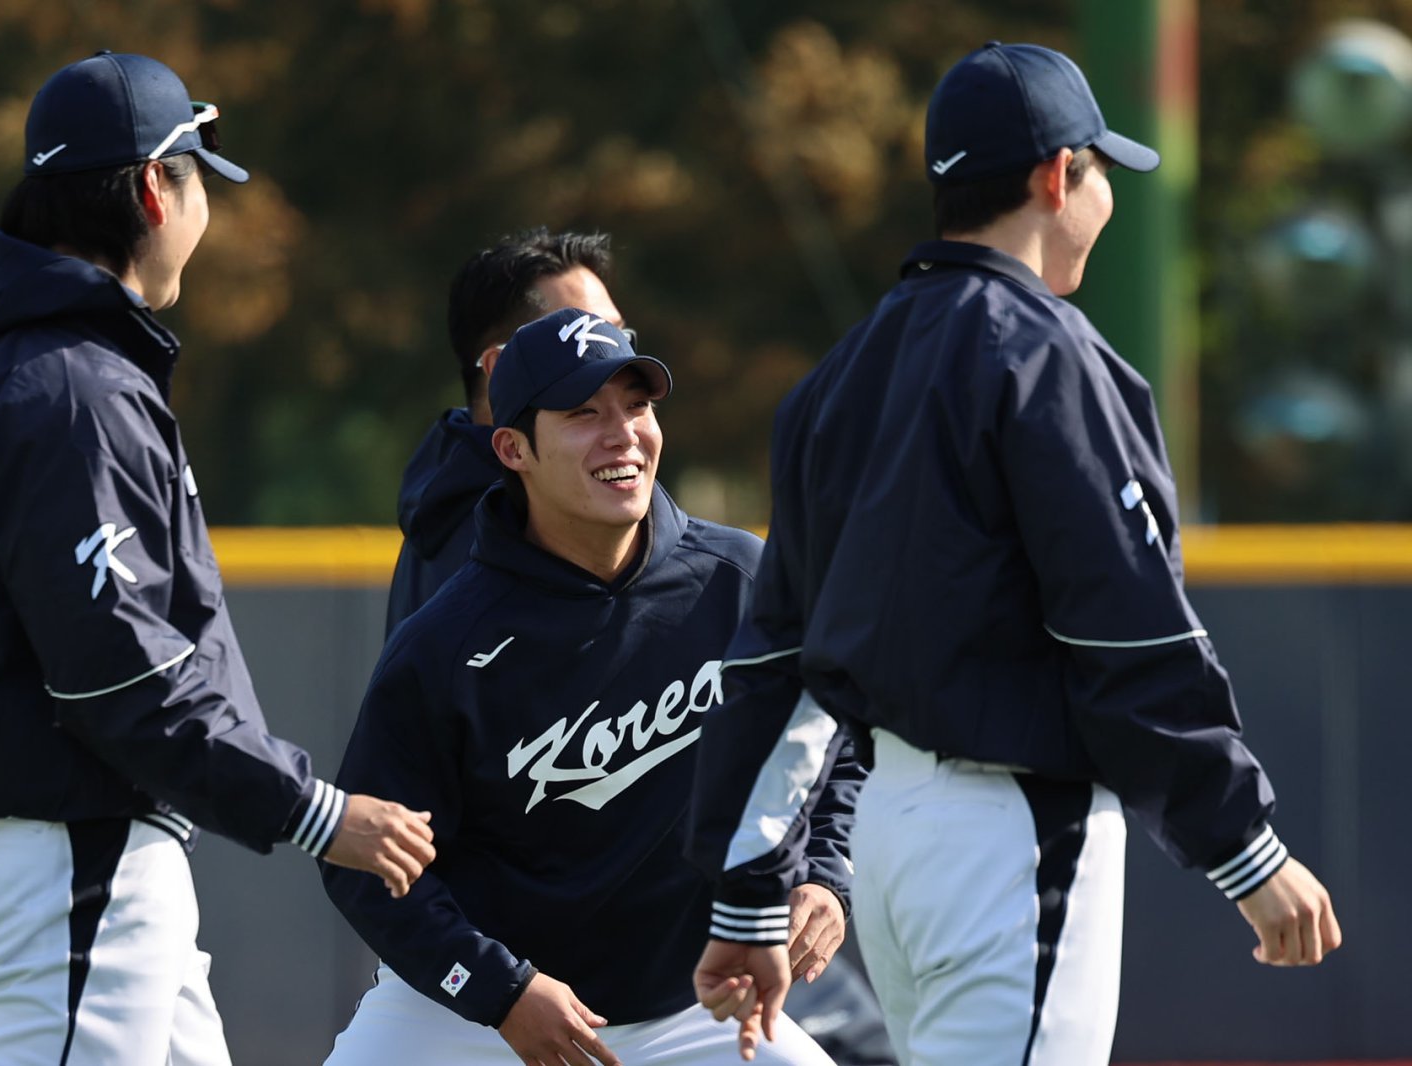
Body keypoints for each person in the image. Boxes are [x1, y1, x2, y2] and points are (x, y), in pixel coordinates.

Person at [685, 41, 1343, 1065]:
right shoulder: (1047, 354)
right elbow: (1127, 640)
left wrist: (748, 886)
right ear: (1054, 175)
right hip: (1012, 836)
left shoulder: (840, 374)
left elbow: (775, 657)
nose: (1104, 202)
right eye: (1099, 174)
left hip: (890, 840)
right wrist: (1244, 851)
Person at [0, 51, 434, 1065]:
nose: (202, 217)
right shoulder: (70, 385)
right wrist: (310, 810)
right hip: (64, 853)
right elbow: (120, 672)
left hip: (31, 853)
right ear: (151, 187)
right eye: (196, 186)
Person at [387, 228, 896, 1062]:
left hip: (684, 995)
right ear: (512, 433)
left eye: (635, 395)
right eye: (584, 407)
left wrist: (823, 873)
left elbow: (828, 734)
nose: (620, 430)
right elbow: (380, 858)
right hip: (483, 1003)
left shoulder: (731, 571)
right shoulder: (456, 596)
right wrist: (497, 987)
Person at [386, 227, 627, 634]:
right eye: (588, 343)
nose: (617, 359)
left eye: (621, 336)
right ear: (499, 370)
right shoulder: (506, 529)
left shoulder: (456, 492)